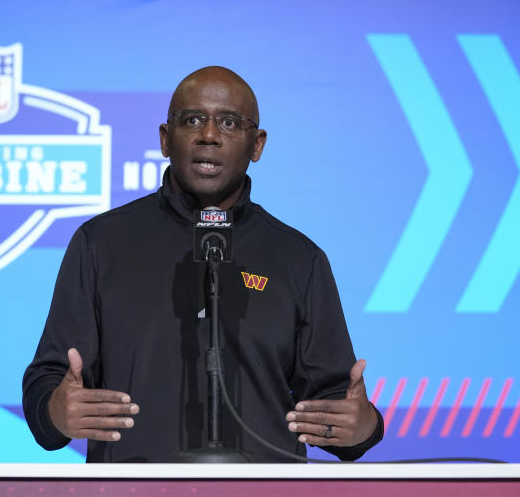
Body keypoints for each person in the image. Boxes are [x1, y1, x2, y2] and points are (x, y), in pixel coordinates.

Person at [22, 66, 383, 462]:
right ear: (165, 138)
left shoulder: (298, 258)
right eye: (192, 120)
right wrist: (55, 411)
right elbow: (50, 384)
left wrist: (362, 426)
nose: (209, 135)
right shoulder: (101, 243)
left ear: (257, 145)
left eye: (229, 122)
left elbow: (335, 411)